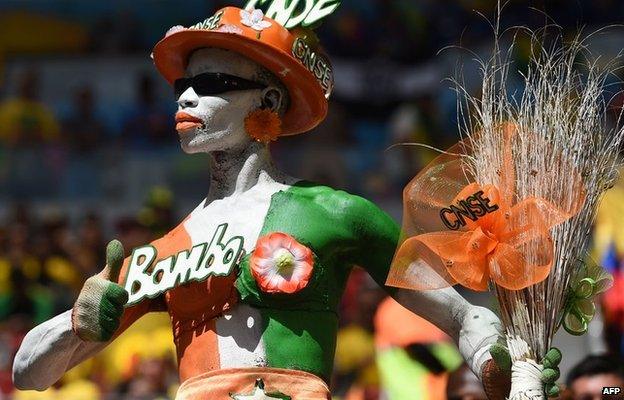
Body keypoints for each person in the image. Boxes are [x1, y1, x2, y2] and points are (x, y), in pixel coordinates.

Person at [12, 4, 558, 399]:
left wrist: (504, 365)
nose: (185, 96)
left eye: (212, 83)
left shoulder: (337, 213)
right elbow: (27, 373)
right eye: (183, 83)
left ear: (269, 99)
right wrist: (76, 325)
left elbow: (461, 316)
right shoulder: (158, 254)